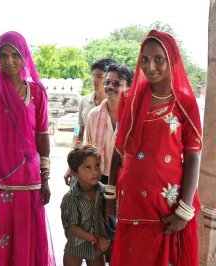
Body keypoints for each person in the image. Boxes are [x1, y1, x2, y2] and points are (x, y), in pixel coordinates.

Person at [106, 30, 202, 265]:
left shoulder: (185, 102)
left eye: (158, 58)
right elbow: (119, 151)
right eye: (145, 59)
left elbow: (193, 156)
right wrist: (110, 193)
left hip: (166, 208)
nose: (151, 66)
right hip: (131, 202)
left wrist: (184, 210)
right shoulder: (129, 100)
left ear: (173, 60)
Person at [0, 31, 55, 265]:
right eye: (4, 55)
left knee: (25, 239)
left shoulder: (37, 92)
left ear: (25, 56)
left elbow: (42, 136)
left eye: (15, 55)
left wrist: (45, 177)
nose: (9, 61)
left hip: (27, 178)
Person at [64, 58, 116, 186]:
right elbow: (79, 132)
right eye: (93, 76)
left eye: (99, 76)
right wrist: (72, 164)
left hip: (111, 166)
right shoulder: (85, 101)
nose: (94, 80)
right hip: (88, 164)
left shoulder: (116, 105)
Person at [61, 144, 111, 266]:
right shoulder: (70, 198)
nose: (95, 172)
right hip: (75, 247)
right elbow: (71, 227)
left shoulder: (104, 192)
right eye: (87, 168)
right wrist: (97, 240)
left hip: (96, 250)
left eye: (97, 166)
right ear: (74, 173)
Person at [84, 63, 133, 184]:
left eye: (117, 83)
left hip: (127, 177)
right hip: (99, 177)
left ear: (129, 88)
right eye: (107, 82)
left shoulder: (134, 117)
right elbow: (88, 148)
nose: (110, 86)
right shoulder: (93, 115)